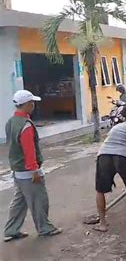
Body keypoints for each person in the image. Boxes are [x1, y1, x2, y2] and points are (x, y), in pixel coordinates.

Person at [3, 90, 62, 242]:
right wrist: (34, 170)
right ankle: (45, 228)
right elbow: (28, 150)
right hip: (28, 171)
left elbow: (12, 145)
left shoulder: (11, 121)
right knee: (39, 200)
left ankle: (11, 229)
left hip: (17, 169)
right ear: (28, 104)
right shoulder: (26, 125)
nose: (34, 106)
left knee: (19, 202)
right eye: (32, 103)